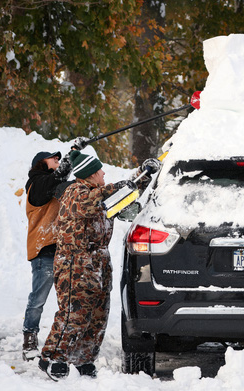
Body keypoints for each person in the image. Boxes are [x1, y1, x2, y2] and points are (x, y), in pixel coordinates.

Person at [38, 150, 160, 380]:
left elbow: (125, 196)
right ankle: (52, 357)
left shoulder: (102, 195)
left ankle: (83, 359)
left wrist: (144, 174)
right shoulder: (76, 193)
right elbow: (99, 199)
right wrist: (121, 186)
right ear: (91, 174)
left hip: (98, 265)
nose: (104, 173)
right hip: (75, 264)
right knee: (73, 314)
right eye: (100, 170)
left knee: (96, 316)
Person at [22, 138, 88, 361]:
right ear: (41, 163)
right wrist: (73, 152)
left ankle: (67, 340)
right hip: (44, 250)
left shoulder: (51, 184)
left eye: (60, 158)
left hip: (62, 250)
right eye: (54, 158)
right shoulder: (36, 184)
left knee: (68, 301)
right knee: (38, 299)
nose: (58, 160)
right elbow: (58, 177)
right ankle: (29, 338)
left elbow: (64, 183)